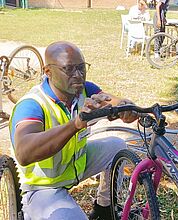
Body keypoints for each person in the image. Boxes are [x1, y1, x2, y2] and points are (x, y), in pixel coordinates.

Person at [9, 41, 139, 220]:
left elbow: (113, 101)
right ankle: (31, 213)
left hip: (71, 168)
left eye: (81, 68)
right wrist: (75, 124)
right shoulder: (32, 105)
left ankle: (103, 209)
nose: (78, 75)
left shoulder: (83, 90)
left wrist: (126, 107)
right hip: (42, 187)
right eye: (69, 69)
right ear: (48, 72)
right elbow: (24, 153)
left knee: (117, 146)